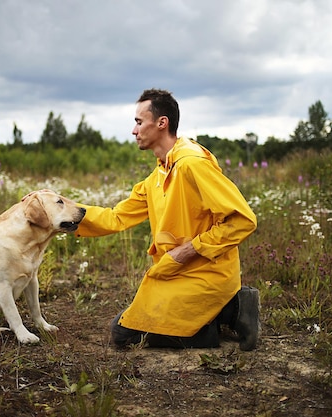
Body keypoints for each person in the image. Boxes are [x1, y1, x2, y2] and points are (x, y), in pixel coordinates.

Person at [75, 88, 260, 350]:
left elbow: (243, 220)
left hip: (206, 273)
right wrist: (65, 212)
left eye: (139, 122)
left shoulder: (191, 164)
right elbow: (116, 217)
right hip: (177, 273)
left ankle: (231, 308)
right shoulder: (158, 176)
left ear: (162, 123)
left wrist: (188, 251)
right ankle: (224, 313)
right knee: (124, 328)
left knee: (123, 333)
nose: (133, 130)